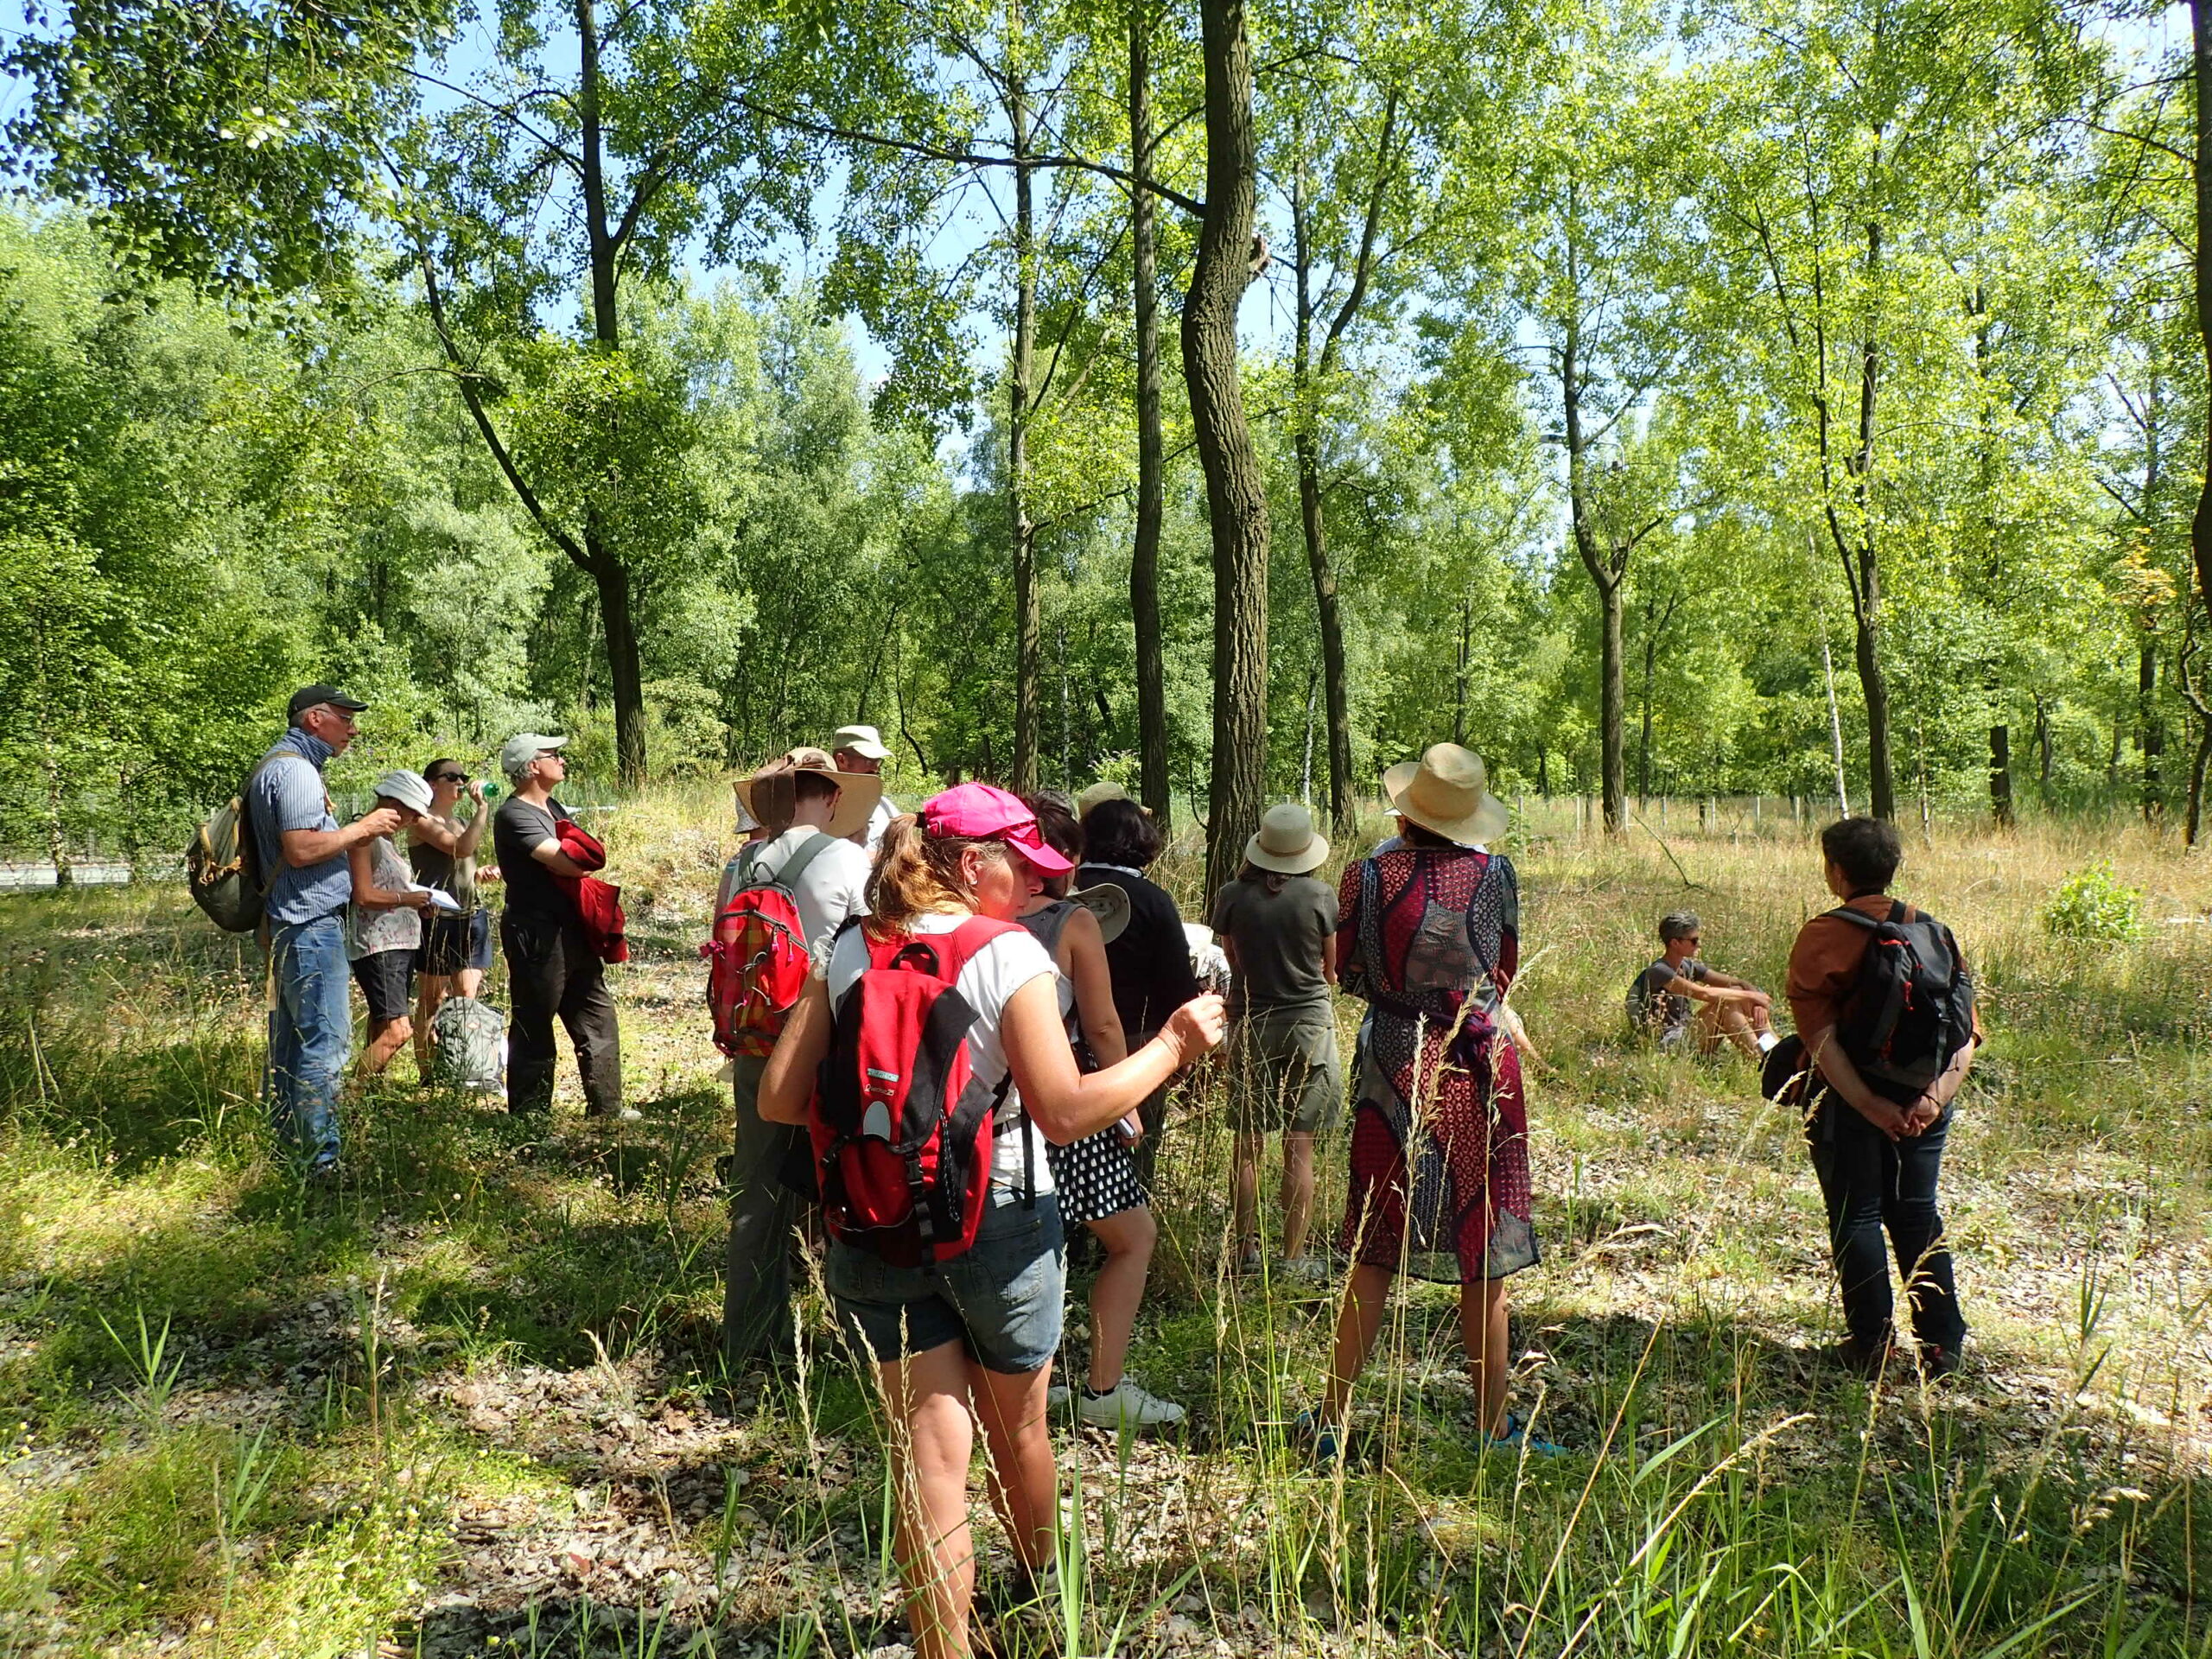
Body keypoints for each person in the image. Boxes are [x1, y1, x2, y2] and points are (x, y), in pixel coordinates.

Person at [755, 786, 1224, 1659]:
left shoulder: (851, 946)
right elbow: (1067, 1111)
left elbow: (782, 1098)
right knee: (1019, 1428)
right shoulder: (1007, 953)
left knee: (929, 1462)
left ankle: (945, 1649)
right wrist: (1175, 1045)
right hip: (999, 1219)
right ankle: (1042, 1592)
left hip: (873, 1219)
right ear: (975, 866)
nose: (1039, 887)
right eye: (1027, 867)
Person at [1311, 744, 1551, 1464]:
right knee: (1486, 1247)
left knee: (1374, 1243)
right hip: (1478, 1065)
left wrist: (1400, 1001)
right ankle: (1492, 1426)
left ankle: (1332, 1420)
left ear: (1406, 812)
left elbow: (1344, 968)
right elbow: (1501, 968)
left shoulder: (1366, 875)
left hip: (1392, 1062)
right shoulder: (1494, 874)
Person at [1783, 817, 1977, 1380]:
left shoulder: (1824, 935)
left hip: (1851, 1103)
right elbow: (1965, 1034)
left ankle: (1871, 1345)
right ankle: (1942, 1343)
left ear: (1837, 871)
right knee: (1917, 1212)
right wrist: (1932, 1101)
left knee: (1858, 1215)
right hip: (1924, 1100)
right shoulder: (1935, 932)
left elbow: (1819, 1040)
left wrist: (1868, 1105)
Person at [1019, 793, 1184, 1429]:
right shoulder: (1069, 921)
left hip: (990, 1111)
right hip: (1071, 1099)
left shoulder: (977, 916)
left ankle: (1024, 1383)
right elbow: (1104, 1023)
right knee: (1132, 1238)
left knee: (1035, 1242)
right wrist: (1128, 1097)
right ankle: (1101, 1388)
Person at [718, 747, 879, 1375]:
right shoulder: (846, 859)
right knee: (850, 1189)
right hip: (832, 1046)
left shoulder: (741, 864)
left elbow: (721, 948)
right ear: (832, 797)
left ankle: (750, 1340)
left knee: (757, 1194)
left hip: (759, 1043)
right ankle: (859, 1341)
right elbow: (873, 952)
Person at [245, 685, 406, 1177]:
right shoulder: (294, 771)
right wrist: (365, 828)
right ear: (315, 719)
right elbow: (300, 849)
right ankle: (321, 1163)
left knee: (292, 1045)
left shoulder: (279, 764)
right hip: (309, 925)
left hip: (291, 923)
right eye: (345, 718)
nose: (353, 729)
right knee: (326, 1043)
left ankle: (287, 1150)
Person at [1211, 803, 1340, 1281]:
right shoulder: (1320, 896)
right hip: (1308, 1023)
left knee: (1247, 1145)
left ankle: (1243, 1249)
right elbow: (1330, 969)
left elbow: (1229, 955)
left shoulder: (1232, 895)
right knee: (1298, 1145)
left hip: (1250, 1022)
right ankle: (1292, 1256)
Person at [493, 734, 629, 1119]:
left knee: (597, 1014)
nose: (562, 760)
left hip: (572, 926)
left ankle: (607, 1108)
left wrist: (578, 856)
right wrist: (578, 857)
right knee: (535, 1022)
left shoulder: (552, 806)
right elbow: (571, 862)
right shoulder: (515, 814)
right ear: (532, 766)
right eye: (553, 755)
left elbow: (579, 858)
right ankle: (530, 1118)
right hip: (536, 932)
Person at [1077, 797, 1202, 1192]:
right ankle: (1128, 1225)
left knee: (1074, 1141)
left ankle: (1078, 1230)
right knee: (1137, 1138)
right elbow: (1177, 980)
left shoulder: (1062, 889)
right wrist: (1180, 1051)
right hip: (1140, 1043)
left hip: (1065, 1038)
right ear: (1142, 840)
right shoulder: (1153, 900)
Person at [346, 769, 439, 1078]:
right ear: (394, 804)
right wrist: (407, 899)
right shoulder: (363, 837)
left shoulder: (384, 840)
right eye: (412, 814)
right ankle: (351, 1097)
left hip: (397, 943)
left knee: (382, 1024)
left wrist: (417, 906)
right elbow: (363, 894)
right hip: (379, 945)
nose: (414, 822)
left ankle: (370, 1097)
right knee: (398, 1031)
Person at [410, 759, 494, 1074]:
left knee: (467, 997)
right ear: (432, 784)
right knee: (432, 999)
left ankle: (464, 1067)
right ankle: (428, 1072)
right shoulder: (422, 821)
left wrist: (480, 873)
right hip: (438, 919)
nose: (461, 781)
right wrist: (482, 809)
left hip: (471, 916)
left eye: (464, 776)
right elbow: (460, 849)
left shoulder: (459, 821)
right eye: (452, 777)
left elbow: (463, 864)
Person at [1627, 911, 1777, 1061]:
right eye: (1693, 940)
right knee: (1728, 1001)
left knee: (1736, 992)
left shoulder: (1686, 966)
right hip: (1670, 1044)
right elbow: (1703, 994)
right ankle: (1763, 1059)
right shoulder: (1659, 971)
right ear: (1675, 943)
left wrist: (1758, 1003)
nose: (1698, 944)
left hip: (1688, 1034)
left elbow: (1739, 983)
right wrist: (1753, 996)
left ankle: (1775, 1051)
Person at [830, 724, 899, 853]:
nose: (875, 768)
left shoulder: (885, 807)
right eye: (868, 760)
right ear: (841, 760)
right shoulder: (820, 804)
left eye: (877, 761)